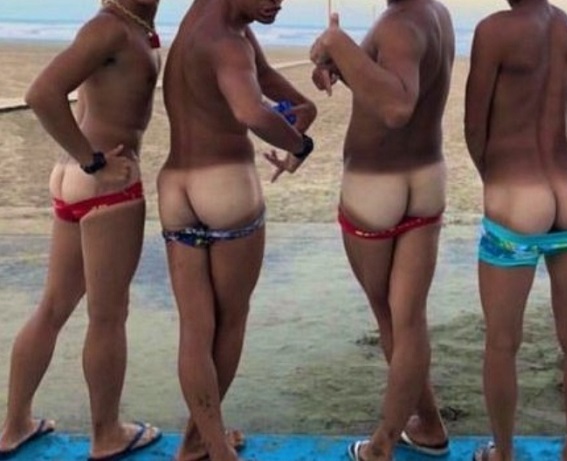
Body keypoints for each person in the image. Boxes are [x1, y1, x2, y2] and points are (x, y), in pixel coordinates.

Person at [0, 1, 164, 459]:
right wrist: (92, 160)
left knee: (53, 307)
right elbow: (42, 93)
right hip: (102, 180)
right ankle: (107, 433)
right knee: (108, 315)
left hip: (74, 177)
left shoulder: (131, 27)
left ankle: (15, 426)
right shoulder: (110, 28)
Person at [160, 0, 316, 459]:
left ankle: (199, 442)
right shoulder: (228, 42)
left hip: (176, 188)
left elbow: (261, 75)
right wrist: (300, 145)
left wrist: (305, 105)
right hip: (225, 186)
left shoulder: (206, 22)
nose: (277, 2)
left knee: (195, 329)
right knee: (230, 321)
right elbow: (251, 112)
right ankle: (211, 446)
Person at [309, 2, 453, 460]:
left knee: (393, 319)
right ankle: (428, 425)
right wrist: (346, 64)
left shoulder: (398, 23)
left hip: (377, 186)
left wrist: (337, 42)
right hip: (425, 177)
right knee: (409, 319)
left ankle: (381, 444)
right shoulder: (434, 13)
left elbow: (396, 106)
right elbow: (395, 80)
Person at [463, 1, 567, 460]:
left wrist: (494, 177)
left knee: (502, 342)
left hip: (517, 195)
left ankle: (503, 453)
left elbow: (474, 125)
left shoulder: (494, 30)